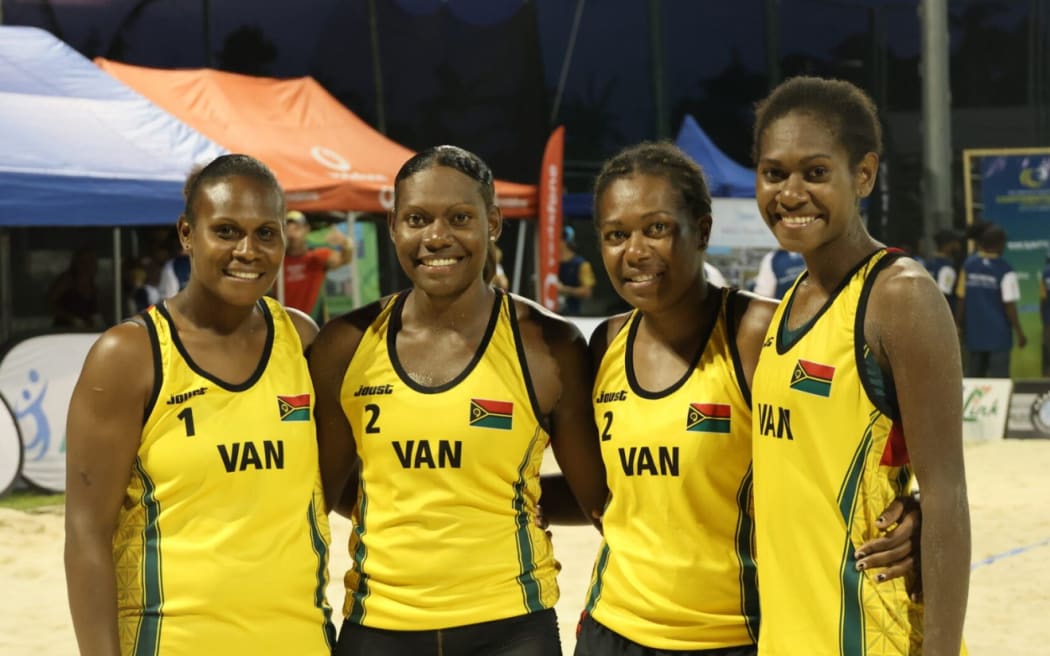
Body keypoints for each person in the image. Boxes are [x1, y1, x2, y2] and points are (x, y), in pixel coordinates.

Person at [573, 141, 921, 656]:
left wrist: (916, 509)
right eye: (616, 235)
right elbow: (608, 495)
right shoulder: (605, 343)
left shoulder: (760, 334)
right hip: (612, 630)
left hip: (739, 636)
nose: (636, 252)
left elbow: (850, 453)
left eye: (657, 229)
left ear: (703, 230)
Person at [309, 145, 608, 656]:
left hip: (512, 627)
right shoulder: (346, 344)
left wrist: (524, 501)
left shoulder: (547, 346)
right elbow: (322, 490)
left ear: (492, 223)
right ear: (394, 227)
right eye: (417, 219)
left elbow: (601, 498)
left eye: (460, 217)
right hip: (379, 624)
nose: (437, 237)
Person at [64, 154, 336, 656]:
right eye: (227, 231)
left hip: (302, 642)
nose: (248, 250)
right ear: (188, 233)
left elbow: (348, 486)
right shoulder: (129, 356)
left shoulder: (300, 338)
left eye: (266, 233)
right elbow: (86, 536)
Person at [749, 76, 969, 654]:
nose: (790, 193)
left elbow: (946, 495)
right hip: (791, 633)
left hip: (869, 633)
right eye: (774, 173)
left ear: (864, 175)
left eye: (815, 173)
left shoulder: (900, 297)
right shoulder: (789, 301)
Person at [955, 221, 1026, 378]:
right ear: (1000, 244)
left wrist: (957, 324)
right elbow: (1009, 305)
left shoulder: (968, 265)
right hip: (998, 337)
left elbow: (961, 298)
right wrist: (1019, 332)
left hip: (974, 334)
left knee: (974, 379)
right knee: (999, 381)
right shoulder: (1006, 270)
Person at [283, 209, 354, 321]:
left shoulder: (316, 257)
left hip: (312, 323)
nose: (292, 234)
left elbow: (344, 259)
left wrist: (345, 243)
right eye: (288, 229)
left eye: (297, 228)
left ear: (306, 230)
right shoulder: (277, 261)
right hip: (283, 323)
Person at [49, 246, 103, 329]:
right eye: (84, 262)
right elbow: (49, 304)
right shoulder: (67, 280)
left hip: (84, 332)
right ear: (77, 262)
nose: (88, 265)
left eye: (92, 261)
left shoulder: (93, 287)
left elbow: (94, 311)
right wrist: (71, 318)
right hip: (63, 330)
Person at [557, 225, 596, 315]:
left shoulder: (581, 264)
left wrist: (564, 289)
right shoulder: (551, 263)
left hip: (574, 314)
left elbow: (587, 292)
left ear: (564, 242)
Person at [924, 228, 964, 312]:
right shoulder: (947, 268)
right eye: (956, 242)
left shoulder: (929, 263)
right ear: (949, 245)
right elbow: (943, 299)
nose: (959, 245)